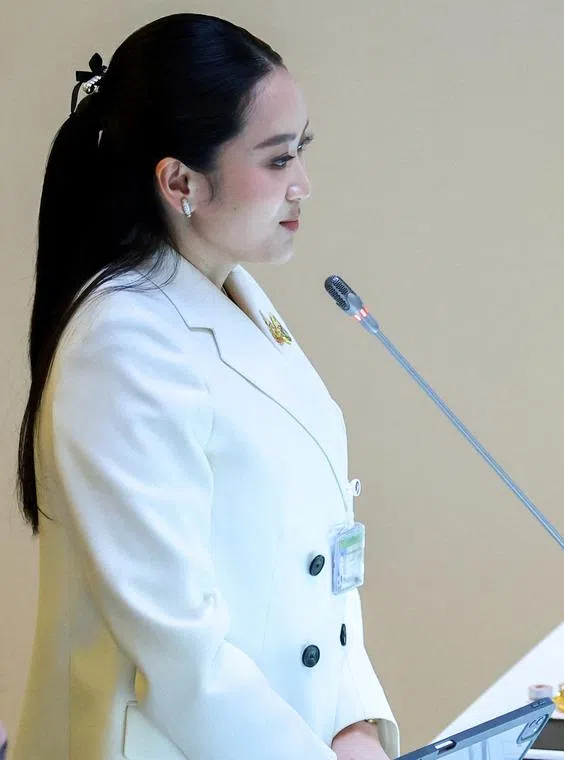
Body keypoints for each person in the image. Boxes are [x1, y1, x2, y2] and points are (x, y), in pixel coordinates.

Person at [13, 14, 398, 760]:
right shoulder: (122, 344)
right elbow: (180, 652)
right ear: (180, 181)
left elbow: (314, 569)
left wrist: (352, 722)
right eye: (278, 159)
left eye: (302, 152)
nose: (303, 186)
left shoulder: (233, 293)